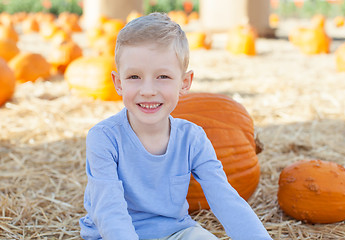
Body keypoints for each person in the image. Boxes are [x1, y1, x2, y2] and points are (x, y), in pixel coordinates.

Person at [79, 12, 272, 240]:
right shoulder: (104, 138)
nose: (148, 90)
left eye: (162, 76)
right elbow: (109, 209)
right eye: (134, 77)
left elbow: (225, 198)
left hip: (175, 232)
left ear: (185, 83)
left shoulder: (192, 138)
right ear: (118, 83)